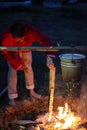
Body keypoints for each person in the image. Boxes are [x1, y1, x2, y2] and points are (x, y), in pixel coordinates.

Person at [1, 22, 56, 106]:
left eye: (22, 38)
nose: (21, 41)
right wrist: (17, 64)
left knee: (28, 68)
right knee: (12, 72)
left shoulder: (31, 32)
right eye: (18, 40)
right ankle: (12, 97)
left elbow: (45, 40)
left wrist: (49, 57)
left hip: (26, 48)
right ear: (12, 36)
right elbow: (5, 52)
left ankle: (31, 90)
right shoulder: (6, 38)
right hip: (11, 52)